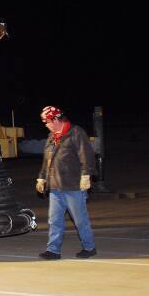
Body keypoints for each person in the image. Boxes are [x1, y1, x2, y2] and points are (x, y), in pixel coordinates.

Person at [36, 106, 96, 260]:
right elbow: (47, 160)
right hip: (55, 186)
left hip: (73, 186)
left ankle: (89, 247)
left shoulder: (76, 133)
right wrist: (42, 177)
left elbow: (86, 155)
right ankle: (53, 250)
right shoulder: (52, 137)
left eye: (47, 121)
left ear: (56, 119)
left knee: (80, 220)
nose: (46, 125)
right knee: (54, 220)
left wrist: (86, 175)